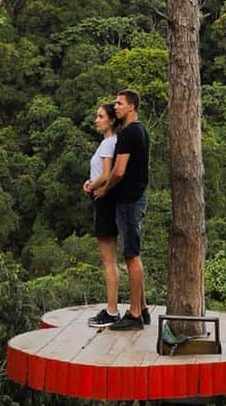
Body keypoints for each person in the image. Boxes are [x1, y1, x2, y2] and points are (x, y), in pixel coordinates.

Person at [89, 88, 150, 331]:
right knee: (133, 253)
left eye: (120, 103)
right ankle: (142, 308)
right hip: (138, 196)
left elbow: (119, 171)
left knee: (131, 256)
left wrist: (104, 190)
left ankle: (134, 314)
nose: (116, 106)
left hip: (128, 199)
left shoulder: (127, 135)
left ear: (131, 107)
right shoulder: (141, 131)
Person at [82, 103, 120, 328]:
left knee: (108, 260)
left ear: (111, 121)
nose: (96, 120)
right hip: (106, 201)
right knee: (111, 259)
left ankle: (112, 309)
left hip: (104, 200)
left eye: (100, 116)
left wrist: (90, 185)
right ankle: (114, 307)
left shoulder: (108, 143)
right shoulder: (111, 143)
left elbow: (106, 175)